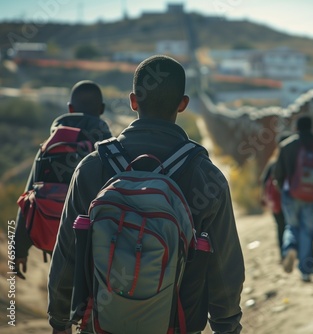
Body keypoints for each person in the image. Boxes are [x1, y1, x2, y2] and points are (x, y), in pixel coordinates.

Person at [47, 55, 245, 334]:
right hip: (175, 325)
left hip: (101, 323)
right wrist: (227, 326)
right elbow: (225, 268)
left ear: (133, 101)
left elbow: (68, 252)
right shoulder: (206, 176)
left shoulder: (93, 167)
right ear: (183, 104)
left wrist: (59, 321)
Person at [14, 80, 112, 279]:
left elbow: (28, 197)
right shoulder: (107, 147)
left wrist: (18, 249)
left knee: (59, 295)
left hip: (55, 237)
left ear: (70, 108)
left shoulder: (50, 146)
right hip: (94, 246)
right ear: (101, 109)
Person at [273, 116, 313, 282]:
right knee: (308, 231)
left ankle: (290, 248)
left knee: (291, 226)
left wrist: (282, 190)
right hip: (312, 197)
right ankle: (305, 270)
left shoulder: (286, 146)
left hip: (290, 195)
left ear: (296, 127)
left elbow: (277, 174)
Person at [260, 132, 290, 262]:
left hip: (276, 201)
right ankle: (294, 250)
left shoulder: (273, 162)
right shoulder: (294, 161)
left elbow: (263, 180)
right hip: (291, 199)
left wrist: (263, 197)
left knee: (280, 227)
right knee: (293, 226)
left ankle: (283, 254)